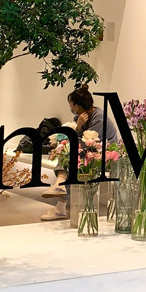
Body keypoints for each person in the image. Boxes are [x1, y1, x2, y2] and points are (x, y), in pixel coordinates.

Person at [40, 84, 117, 220]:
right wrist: (77, 127)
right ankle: (60, 190)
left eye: (71, 105)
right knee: (68, 155)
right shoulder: (81, 117)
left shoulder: (99, 118)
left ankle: (60, 192)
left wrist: (79, 127)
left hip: (106, 155)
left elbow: (87, 142)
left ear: (77, 106)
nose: (71, 108)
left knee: (72, 161)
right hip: (91, 153)